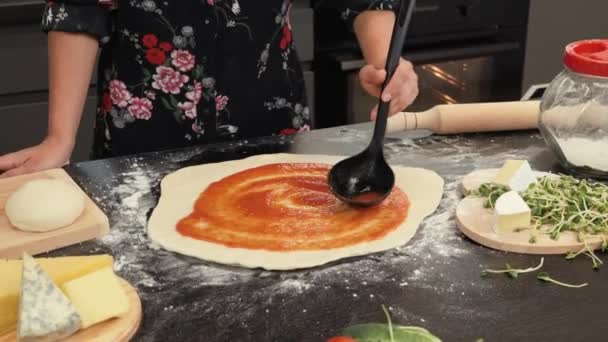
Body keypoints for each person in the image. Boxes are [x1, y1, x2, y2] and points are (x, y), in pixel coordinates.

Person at [0, 0, 418, 177]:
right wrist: (59, 138)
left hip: (271, 127)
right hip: (143, 140)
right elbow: (79, 9)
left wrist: (385, 59)